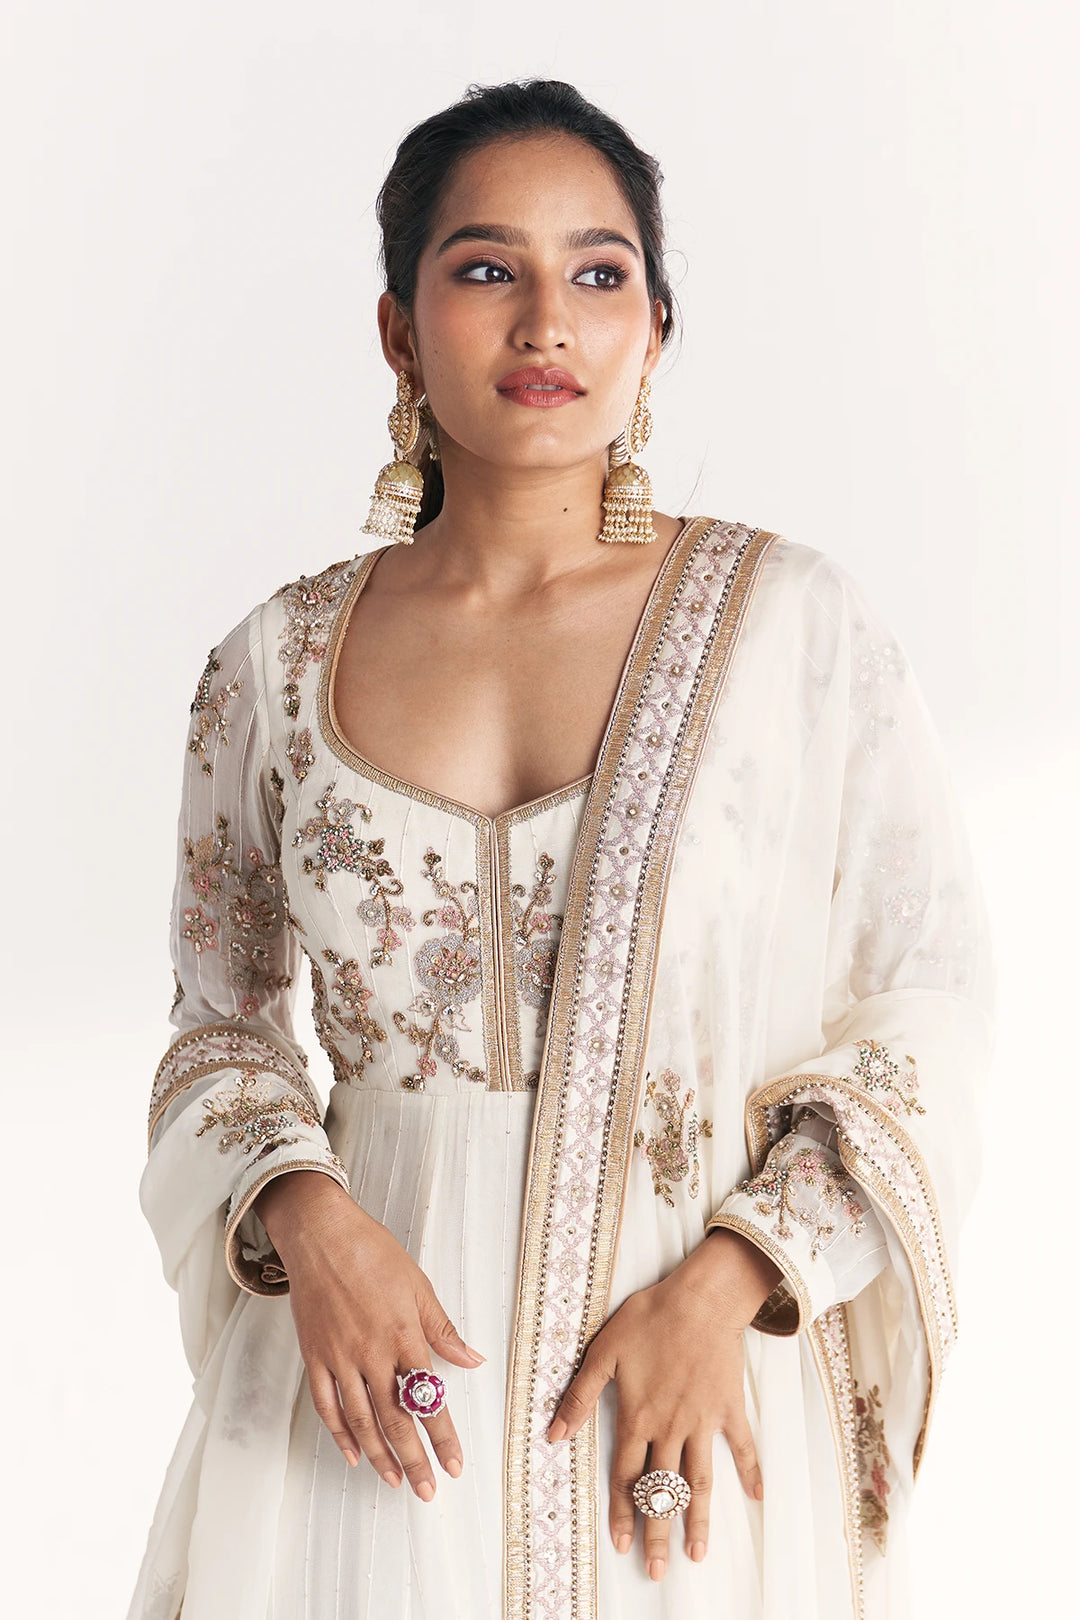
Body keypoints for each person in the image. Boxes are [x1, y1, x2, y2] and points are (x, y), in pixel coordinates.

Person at [128, 78, 995, 1620]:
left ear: (657, 326)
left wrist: (738, 1278)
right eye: (486, 270)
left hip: (681, 1393)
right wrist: (305, 1218)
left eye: (600, 274)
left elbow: (930, 1000)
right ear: (398, 330)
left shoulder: (792, 634)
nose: (549, 323)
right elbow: (218, 1032)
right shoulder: (271, 667)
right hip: (365, 1408)